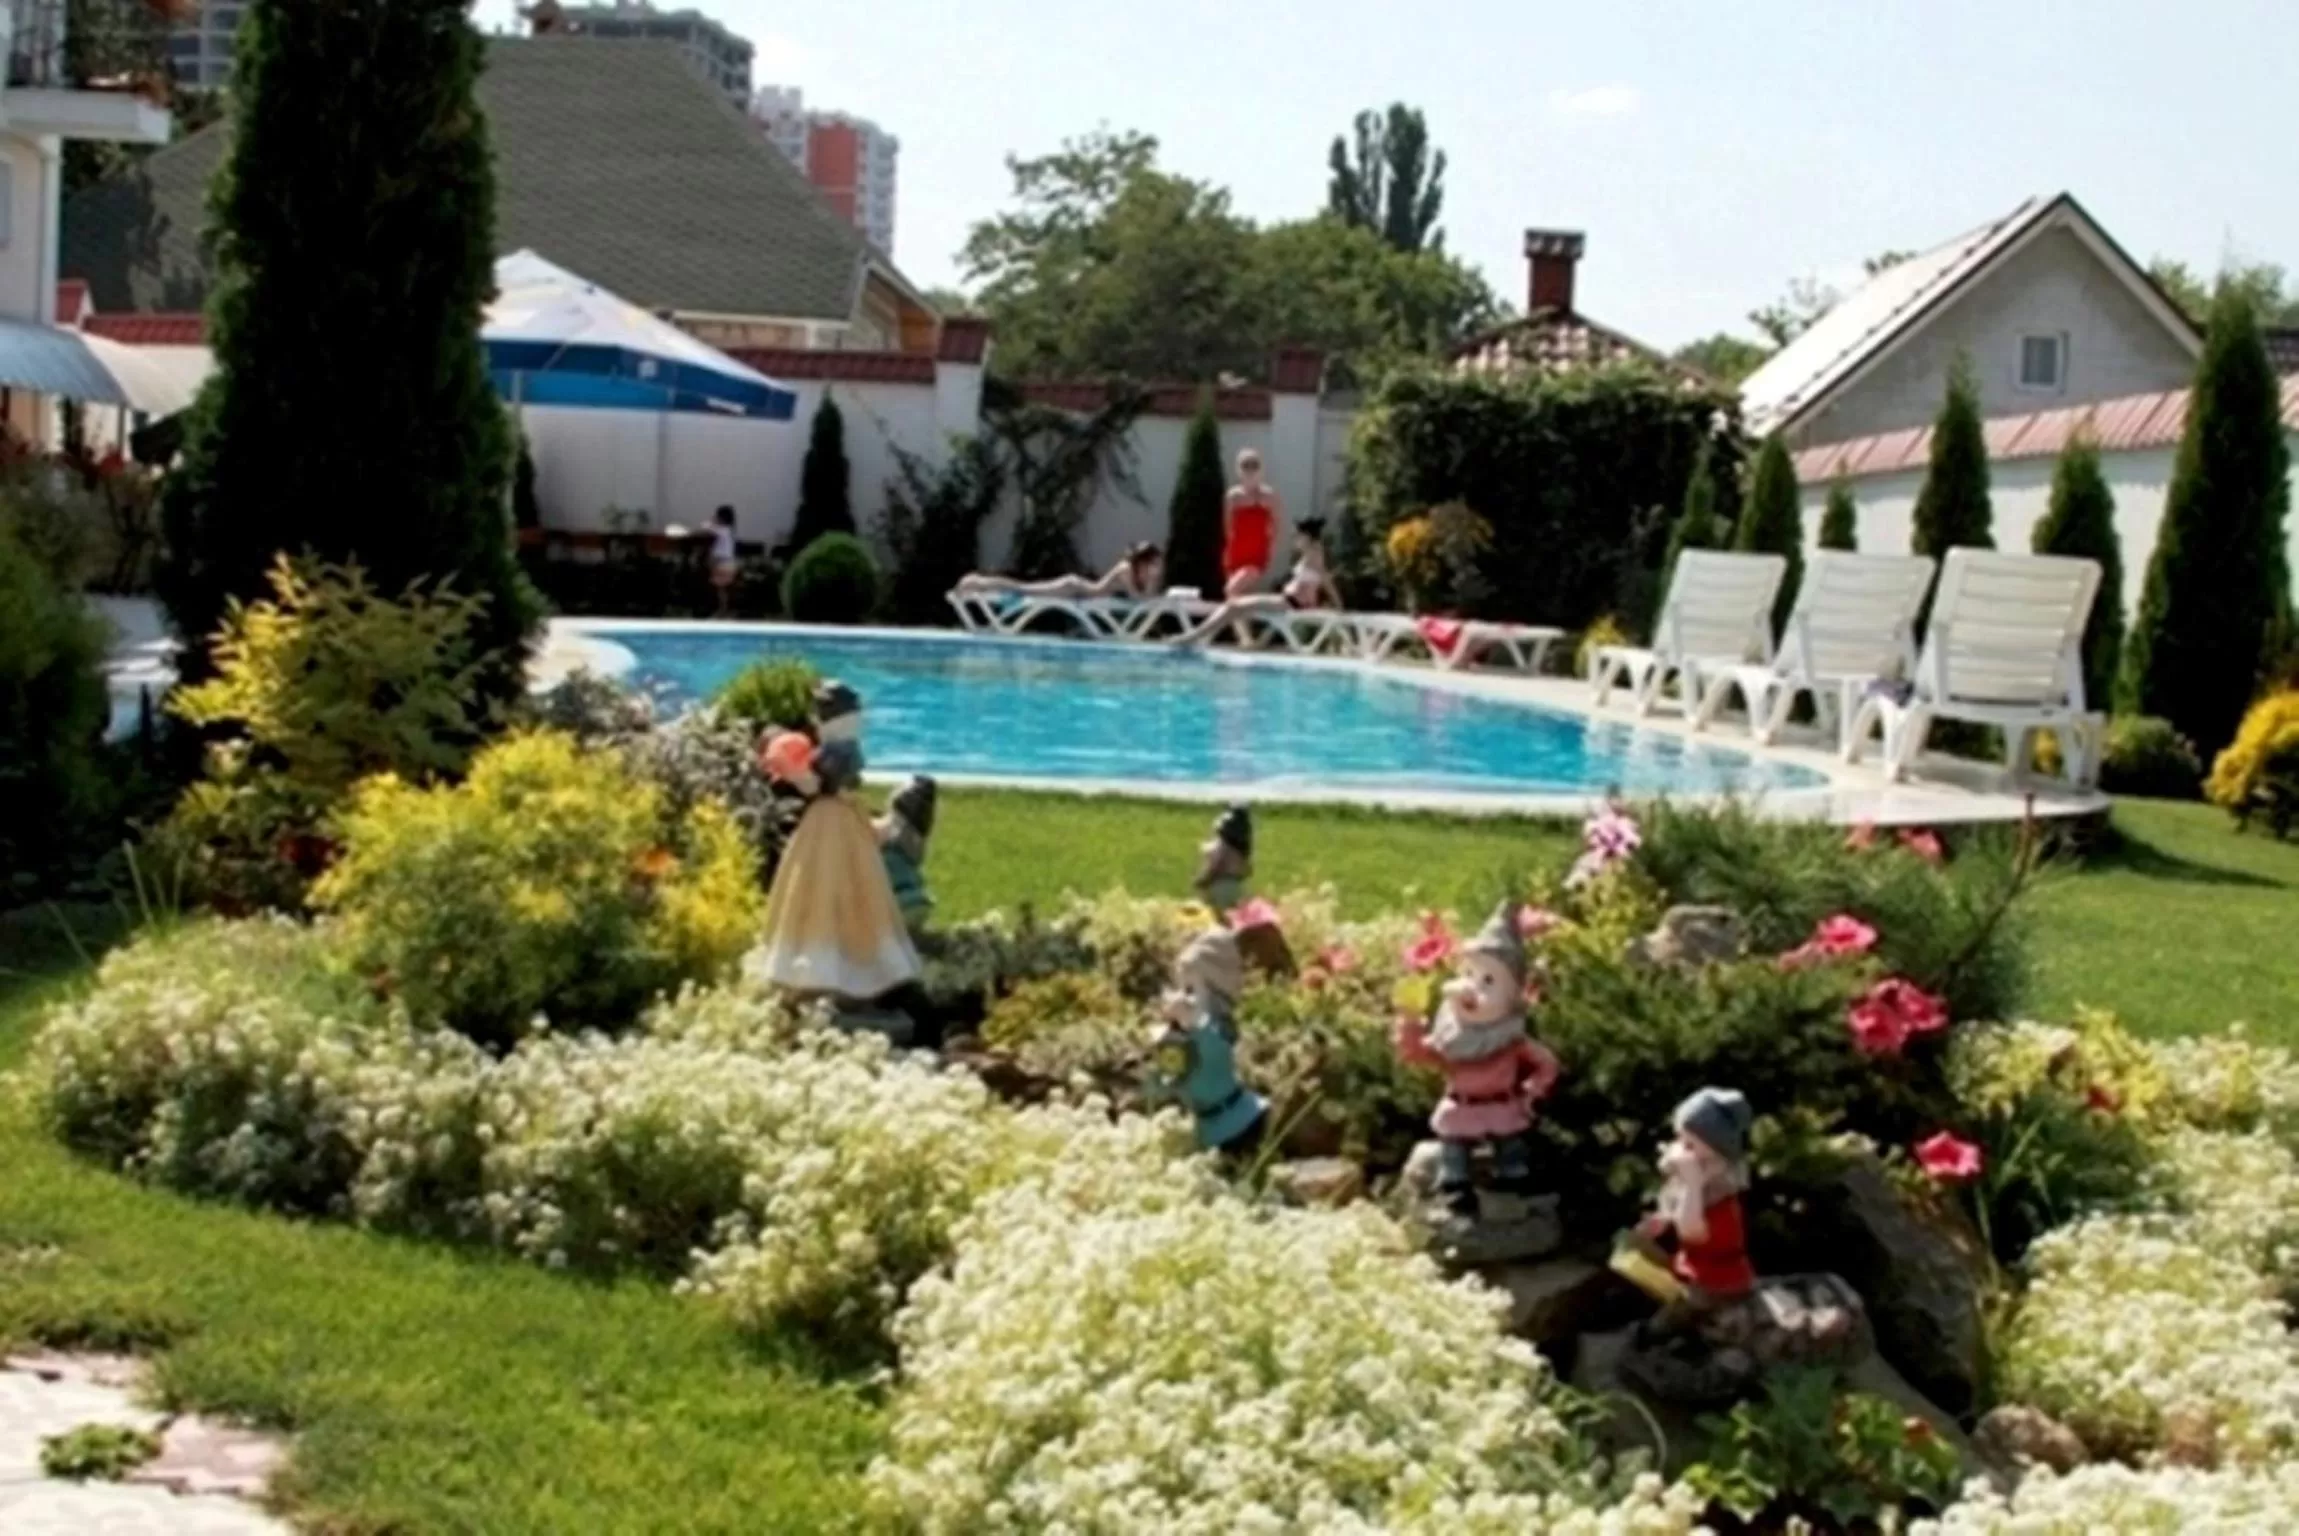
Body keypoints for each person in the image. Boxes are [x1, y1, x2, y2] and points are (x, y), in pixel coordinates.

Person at [754, 682, 922, 1003]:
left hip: (831, 820)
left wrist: (791, 771)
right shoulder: (840, 747)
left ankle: (832, 965)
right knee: (831, 880)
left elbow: (816, 785)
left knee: (827, 880)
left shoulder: (839, 752)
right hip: (835, 818)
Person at [1168, 519, 1342, 648]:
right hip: (1289, 601)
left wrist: (1338, 604)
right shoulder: (1312, 554)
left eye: (1297, 536)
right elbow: (1321, 579)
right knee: (1235, 606)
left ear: (1307, 537)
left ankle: (1193, 637)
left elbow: (1326, 580)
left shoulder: (1314, 554)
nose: (1294, 539)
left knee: (1233, 606)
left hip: (1291, 603)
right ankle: (1199, 636)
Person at [954, 542, 1165, 602]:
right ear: (1144, 561)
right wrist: (1154, 586)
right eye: (1154, 563)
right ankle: (976, 582)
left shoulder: (1139, 574)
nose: (1156, 568)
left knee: (1024, 589)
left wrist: (1152, 584)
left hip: (1080, 593)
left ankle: (978, 583)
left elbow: (1143, 599)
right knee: (1023, 589)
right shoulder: (1125, 569)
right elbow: (1138, 599)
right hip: (1074, 588)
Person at [1221, 450, 1282, 599]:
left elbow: (1276, 525)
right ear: (1238, 469)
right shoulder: (1233, 496)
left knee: (1231, 589)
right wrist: (1227, 551)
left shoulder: (1269, 496)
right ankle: (1246, 616)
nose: (1250, 469)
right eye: (1245, 465)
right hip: (1236, 552)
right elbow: (1227, 526)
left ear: (1261, 469)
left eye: (1254, 465)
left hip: (1257, 553)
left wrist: (1271, 549)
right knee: (1236, 598)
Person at [708, 505, 740, 618]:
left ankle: (722, 611)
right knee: (723, 590)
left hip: (723, 564)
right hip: (728, 563)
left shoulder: (723, 530)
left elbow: (709, 528)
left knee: (721, 590)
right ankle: (724, 610)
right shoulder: (729, 531)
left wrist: (712, 521)